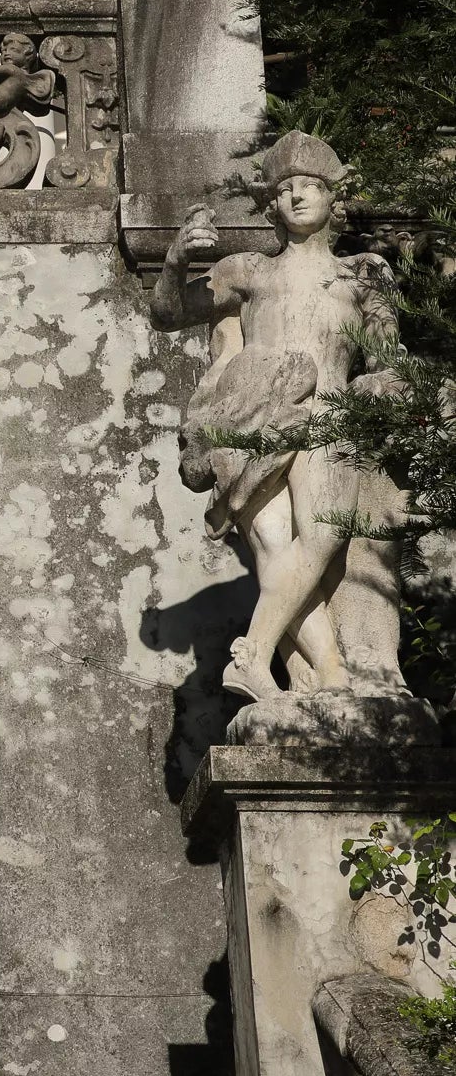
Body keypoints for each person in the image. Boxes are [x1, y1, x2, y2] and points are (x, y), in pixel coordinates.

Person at [152, 129, 408, 705]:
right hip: (258, 418)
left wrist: (386, 394)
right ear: (272, 202)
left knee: (320, 539)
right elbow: (167, 313)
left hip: (329, 417)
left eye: (310, 186)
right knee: (276, 549)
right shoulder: (248, 270)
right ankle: (324, 677)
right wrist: (173, 263)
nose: (296, 196)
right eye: (285, 188)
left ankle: (259, 654)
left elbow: (392, 361)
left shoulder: (362, 273)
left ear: (333, 197)